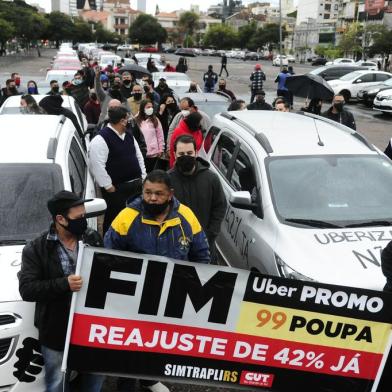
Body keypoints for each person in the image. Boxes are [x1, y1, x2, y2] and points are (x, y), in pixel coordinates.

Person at [104, 169, 210, 392]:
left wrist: (196, 287)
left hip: (172, 295)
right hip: (134, 295)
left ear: (170, 194)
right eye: (147, 192)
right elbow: (108, 254)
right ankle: (126, 384)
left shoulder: (187, 216)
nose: (152, 198)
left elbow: (201, 255)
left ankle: (148, 379)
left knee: (157, 342)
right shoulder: (127, 217)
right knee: (130, 343)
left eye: (158, 194)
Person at [18, 190, 105, 392]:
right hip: (56, 329)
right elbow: (27, 289)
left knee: (94, 376)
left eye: (85, 216)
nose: (84, 222)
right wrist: (64, 284)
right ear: (60, 219)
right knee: (57, 381)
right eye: (79, 218)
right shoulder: (36, 248)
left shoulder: (91, 238)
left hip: (91, 327)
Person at [168, 134, 226, 261]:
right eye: (181, 154)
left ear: (196, 152)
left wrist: (211, 234)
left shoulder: (211, 179)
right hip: (175, 246)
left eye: (189, 153)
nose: (186, 157)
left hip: (205, 244)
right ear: (174, 154)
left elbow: (220, 206)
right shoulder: (167, 181)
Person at [89, 106, 146, 233]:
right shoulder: (101, 139)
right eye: (128, 118)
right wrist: (108, 186)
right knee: (115, 220)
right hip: (117, 190)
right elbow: (97, 165)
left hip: (136, 185)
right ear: (122, 121)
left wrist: (143, 176)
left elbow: (138, 156)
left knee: (136, 218)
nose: (130, 121)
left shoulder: (129, 136)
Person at [135, 99, 164, 172]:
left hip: (154, 153)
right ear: (143, 108)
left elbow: (160, 135)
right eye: (148, 107)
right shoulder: (136, 120)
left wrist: (161, 149)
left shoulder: (155, 120)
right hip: (142, 152)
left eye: (151, 107)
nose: (150, 109)